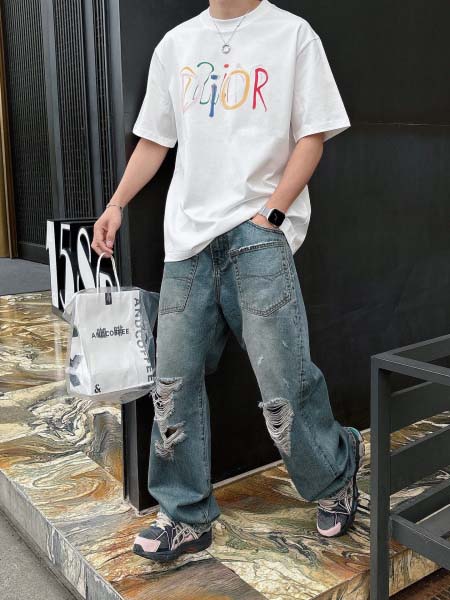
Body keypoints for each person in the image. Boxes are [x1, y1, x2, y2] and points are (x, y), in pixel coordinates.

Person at [91, 0, 365, 563]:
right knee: (173, 386)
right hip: (186, 243)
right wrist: (116, 203)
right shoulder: (176, 44)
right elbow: (155, 140)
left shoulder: (292, 34)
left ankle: (337, 472)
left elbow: (313, 134)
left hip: (256, 235)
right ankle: (184, 515)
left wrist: (273, 214)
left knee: (283, 384)